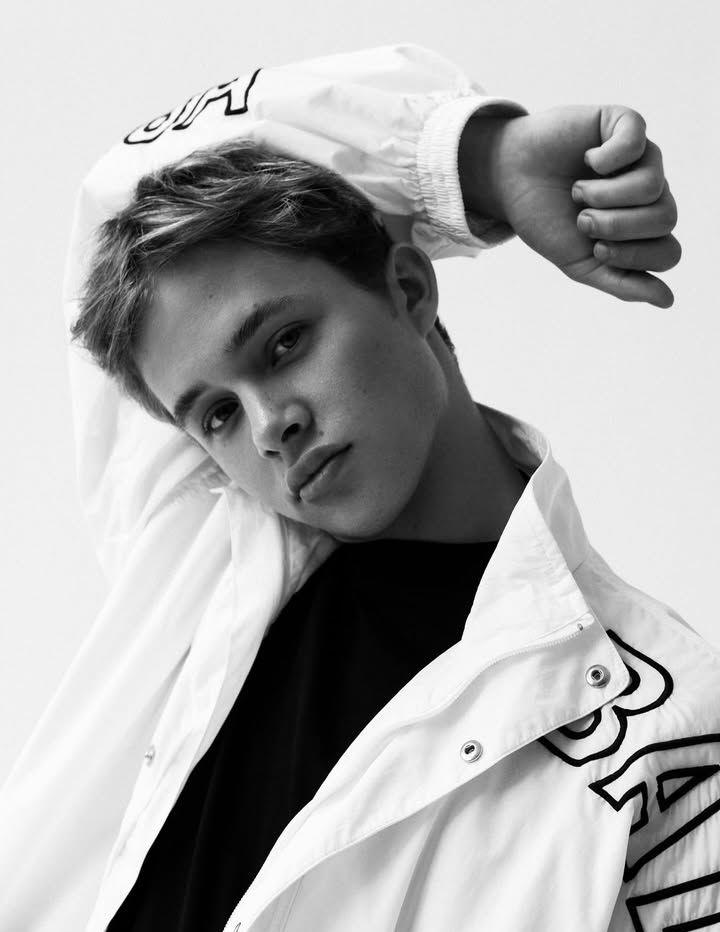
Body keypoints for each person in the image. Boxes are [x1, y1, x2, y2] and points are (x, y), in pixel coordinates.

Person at [1, 44, 715, 932]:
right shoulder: (197, 558)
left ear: (410, 290)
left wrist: (474, 158)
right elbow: (117, 193)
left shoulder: (666, 733)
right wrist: (478, 160)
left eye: (284, 344)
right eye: (216, 414)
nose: (268, 427)